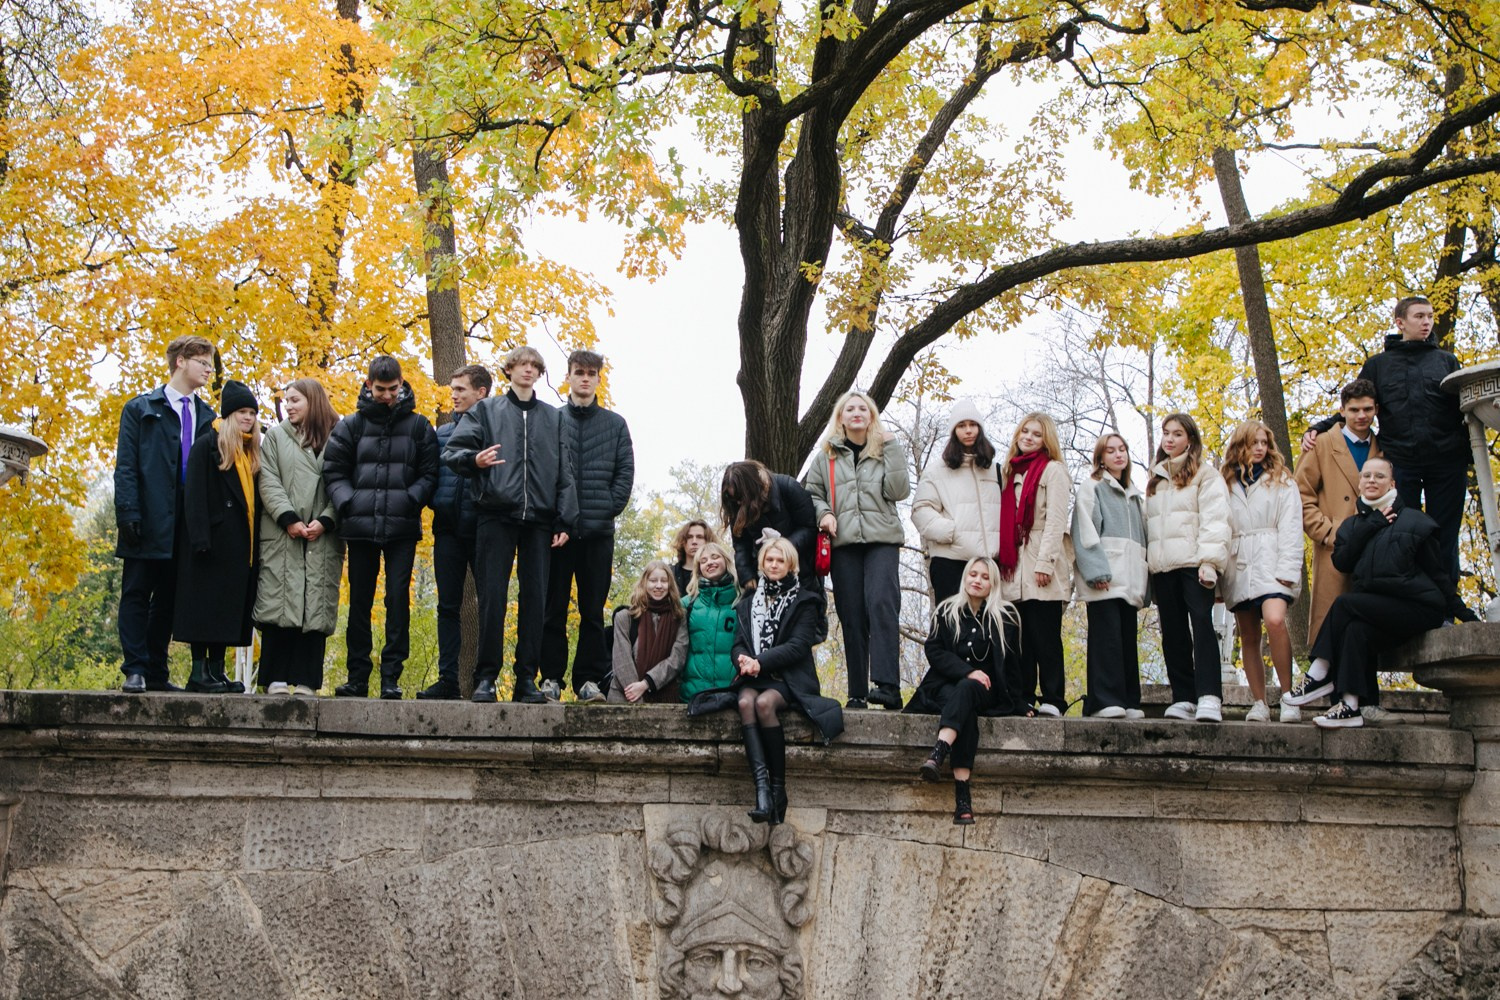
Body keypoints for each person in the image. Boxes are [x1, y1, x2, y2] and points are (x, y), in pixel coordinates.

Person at [1283, 457, 1475, 728]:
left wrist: (1465, 615)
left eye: (1380, 476)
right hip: (1378, 610)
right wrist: (1371, 524)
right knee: (1354, 631)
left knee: (1344, 605)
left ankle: (1319, 672)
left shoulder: (1415, 521)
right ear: (1359, 484)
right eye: (1367, 476)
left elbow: (1439, 576)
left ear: (1392, 484)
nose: (1372, 480)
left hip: (1418, 607)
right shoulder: (1352, 526)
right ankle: (1350, 706)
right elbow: (1342, 562)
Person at [442, 345, 578, 704]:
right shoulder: (487, 410)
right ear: (509, 370)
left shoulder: (555, 417)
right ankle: (485, 678)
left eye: (535, 366)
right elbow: (451, 453)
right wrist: (475, 460)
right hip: (495, 516)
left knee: (535, 600)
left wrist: (565, 517)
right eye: (522, 365)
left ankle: (526, 681)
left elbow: (565, 470)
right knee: (492, 599)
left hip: (540, 521)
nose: (529, 371)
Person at [1301, 296, 1469, 584]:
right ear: (1400, 322)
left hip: (1447, 461)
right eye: (1419, 316)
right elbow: (1355, 404)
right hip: (1402, 463)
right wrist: (1319, 427)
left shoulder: (1446, 361)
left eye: (1429, 316)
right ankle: (1412, 599)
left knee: (1445, 533)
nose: (1426, 322)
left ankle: (1446, 606)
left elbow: (1464, 407)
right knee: (1404, 532)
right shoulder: (1379, 365)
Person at [322, 356, 440, 700]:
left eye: (392, 389)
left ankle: (392, 676)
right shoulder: (351, 426)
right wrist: (349, 502)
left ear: (402, 384)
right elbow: (333, 470)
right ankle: (357, 676)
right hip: (359, 526)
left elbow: (430, 473)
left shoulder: (419, 427)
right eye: (380, 390)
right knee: (359, 602)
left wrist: (410, 499)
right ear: (368, 385)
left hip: (402, 527)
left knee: (397, 600)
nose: (387, 396)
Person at [713, 538, 843, 826]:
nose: (773, 565)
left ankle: (777, 788)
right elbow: (738, 644)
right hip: (754, 676)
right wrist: (744, 661)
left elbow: (798, 646)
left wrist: (762, 662)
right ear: (762, 563)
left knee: (762, 703)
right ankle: (761, 792)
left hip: (789, 679)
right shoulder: (747, 602)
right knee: (745, 700)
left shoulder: (806, 600)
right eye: (769, 560)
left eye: (779, 560)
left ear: (790, 565)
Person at [113, 334, 217, 693]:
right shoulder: (141, 409)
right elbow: (126, 466)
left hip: (188, 524)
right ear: (180, 362)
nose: (209, 369)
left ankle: (156, 671)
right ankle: (135, 669)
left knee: (170, 599)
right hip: (147, 517)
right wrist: (128, 512)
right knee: (138, 593)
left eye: (211, 363)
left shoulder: (208, 417)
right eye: (203, 361)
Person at [802, 390, 910, 711]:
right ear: (841, 417)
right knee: (851, 614)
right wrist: (824, 513)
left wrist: (891, 447)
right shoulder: (826, 457)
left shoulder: (885, 450)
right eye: (850, 408)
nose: (857, 412)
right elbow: (812, 494)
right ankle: (857, 693)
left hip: (882, 540)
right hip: (844, 544)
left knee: (881, 603)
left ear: (871, 416)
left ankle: (888, 686)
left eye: (863, 408)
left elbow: (898, 490)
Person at [541, 349, 635, 703]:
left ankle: (589, 680)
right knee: (553, 609)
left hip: (598, 535)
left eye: (591, 373)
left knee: (592, 611)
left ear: (598, 379)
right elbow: (541, 472)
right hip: (557, 534)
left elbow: (624, 475)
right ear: (568, 376)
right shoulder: (551, 420)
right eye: (578, 372)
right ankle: (550, 677)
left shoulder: (615, 424)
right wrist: (556, 520)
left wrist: (601, 514)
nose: (584, 378)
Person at [906, 557, 1023, 825]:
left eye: (984, 577)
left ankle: (939, 751)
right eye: (973, 574)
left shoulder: (1005, 616)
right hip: (945, 687)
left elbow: (1014, 663)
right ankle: (962, 798)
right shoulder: (947, 611)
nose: (977, 580)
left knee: (969, 691)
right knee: (964, 705)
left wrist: (1020, 702)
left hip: (987, 691)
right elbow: (933, 651)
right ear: (965, 577)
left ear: (992, 583)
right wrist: (967, 671)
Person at [254, 379, 343, 697]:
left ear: (314, 401)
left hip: (323, 534)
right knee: (280, 601)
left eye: (295, 400)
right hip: (282, 533)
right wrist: (288, 518)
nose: (288, 405)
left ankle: (307, 679)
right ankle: (275, 676)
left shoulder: (340, 434)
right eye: (286, 401)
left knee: (315, 604)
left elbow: (347, 481)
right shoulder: (276, 436)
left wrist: (327, 520)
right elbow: (268, 479)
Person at [173, 380, 262, 694]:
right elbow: (194, 495)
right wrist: (200, 538)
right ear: (228, 415)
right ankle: (199, 672)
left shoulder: (250, 452)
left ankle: (216, 670)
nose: (248, 418)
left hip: (240, 547)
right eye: (241, 412)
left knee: (227, 611)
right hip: (211, 545)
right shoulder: (207, 446)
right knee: (205, 610)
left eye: (252, 412)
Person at [1145, 413, 1232, 723]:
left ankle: (1209, 695)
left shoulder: (1206, 475)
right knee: (1173, 632)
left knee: (1202, 625)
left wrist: (1210, 562)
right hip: (1163, 566)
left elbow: (1215, 519)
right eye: (1166, 433)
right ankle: (1183, 696)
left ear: (1190, 439)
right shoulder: (1155, 480)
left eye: (1177, 434)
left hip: (1194, 565)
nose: (1170, 439)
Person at [1218, 420, 1303, 723]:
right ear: (1240, 444)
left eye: (1264, 443)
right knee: (1249, 635)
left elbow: (1292, 528)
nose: (1259, 448)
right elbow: (1220, 528)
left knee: (1275, 620)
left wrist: (1289, 569)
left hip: (1273, 560)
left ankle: (1289, 697)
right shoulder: (1224, 483)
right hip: (1239, 565)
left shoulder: (1283, 481)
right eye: (1253, 442)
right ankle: (1259, 702)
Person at [417, 364, 492, 701]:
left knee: (489, 604)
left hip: (484, 529)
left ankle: (485, 679)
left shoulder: (495, 432)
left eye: (461, 389)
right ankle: (448, 679)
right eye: (453, 389)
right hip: (447, 529)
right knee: (447, 605)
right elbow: (429, 475)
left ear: (482, 392)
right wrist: (437, 503)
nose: (454, 395)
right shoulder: (442, 434)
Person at [997, 412, 1073, 717]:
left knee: (1045, 636)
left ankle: (1054, 698)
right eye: (1024, 432)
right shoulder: (1008, 472)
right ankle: (1024, 696)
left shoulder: (1053, 471)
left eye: (1036, 434)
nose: (1028, 437)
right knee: (1020, 639)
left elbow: (1056, 521)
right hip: (1013, 565)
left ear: (1047, 440)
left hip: (1041, 559)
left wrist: (1045, 562)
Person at [1295, 379, 1383, 644]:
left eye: (1367, 409)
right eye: (1354, 409)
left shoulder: (1383, 448)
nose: (1361, 415)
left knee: (1366, 629)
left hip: (1373, 549)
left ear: (1376, 409)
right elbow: (1299, 495)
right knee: (1329, 628)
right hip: (1334, 546)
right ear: (1342, 411)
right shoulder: (1321, 444)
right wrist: (1328, 532)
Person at [1071, 433, 1148, 720]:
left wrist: (1145, 581)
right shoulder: (1093, 487)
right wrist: (1095, 570)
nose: (1118, 455)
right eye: (1111, 451)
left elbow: (1143, 539)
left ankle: (1129, 700)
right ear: (1101, 457)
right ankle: (1104, 700)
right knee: (1107, 638)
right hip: (1105, 578)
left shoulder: (1135, 494)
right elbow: (1084, 528)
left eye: (1123, 449)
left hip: (1131, 579)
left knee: (1127, 638)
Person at [911, 399, 1000, 604]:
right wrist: (951, 532)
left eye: (973, 425)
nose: (968, 430)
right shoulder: (936, 471)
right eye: (961, 426)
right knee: (952, 628)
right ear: (953, 431)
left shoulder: (996, 471)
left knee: (988, 630)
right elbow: (921, 510)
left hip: (989, 567)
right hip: (950, 563)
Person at [720, 460, 821, 591]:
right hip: (763, 577)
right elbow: (741, 543)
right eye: (734, 499)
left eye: (740, 497)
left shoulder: (788, 487)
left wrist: (783, 548)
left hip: (802, 572)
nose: (738, 502)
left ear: (752, 487)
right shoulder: (737, 506)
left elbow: (809, 527)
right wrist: (746, 574)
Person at [608, 560, 687, 703]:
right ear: (644, 583)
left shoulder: (679, 617)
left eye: (664, 581)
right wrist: (636, 695)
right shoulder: (625, 617)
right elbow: (622, 659)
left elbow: (677, 659)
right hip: (624, 697)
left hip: (664, 698)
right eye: (653, 580)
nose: (658, 585)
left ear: (670, 585)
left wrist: (646, 684)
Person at [679, 541, 740, 702]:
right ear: (698, 568)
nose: (710, 563)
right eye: (703, 561)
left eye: (715, 557)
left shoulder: (742, 600)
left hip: (733, 693)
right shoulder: (687, 604)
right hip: (693, 694)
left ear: (726, 561)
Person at [670, 519, 717, 596]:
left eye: (699, 537)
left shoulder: (717, 572)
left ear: (708, 541)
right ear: (682, 541)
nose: (694, 541)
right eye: (689, 537)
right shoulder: (671, 573)